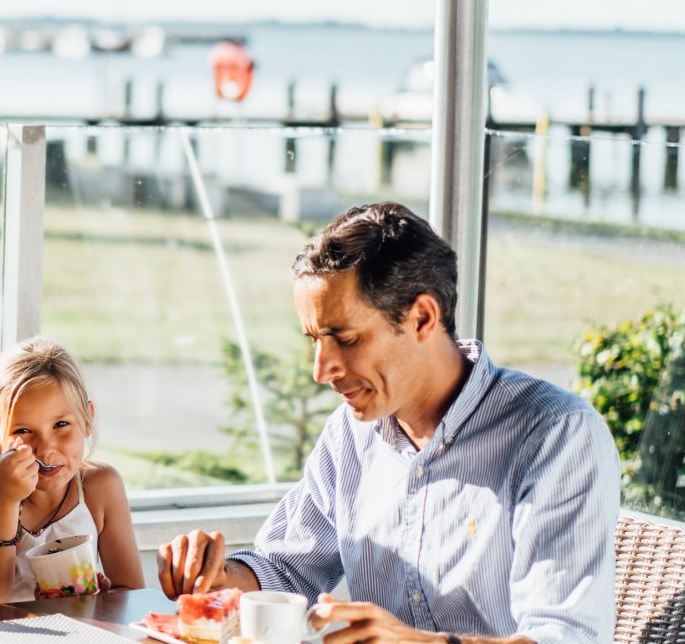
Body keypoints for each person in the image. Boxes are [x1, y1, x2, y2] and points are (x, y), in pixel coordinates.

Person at [155, 202, 619, 644]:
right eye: (315, 340)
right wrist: (218, 575)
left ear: (422, 317)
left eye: (346, 338)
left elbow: (568, 636)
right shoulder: (350, 435)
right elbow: (287, 570)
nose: (321, 371)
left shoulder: (557, 435)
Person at [0, 336, 142, 606]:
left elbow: (132, 595)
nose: (46, 448)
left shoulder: (100, 486)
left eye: (61, 424)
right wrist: (4, 501)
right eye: (23, 431)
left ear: (87, 419)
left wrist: (99, 600)